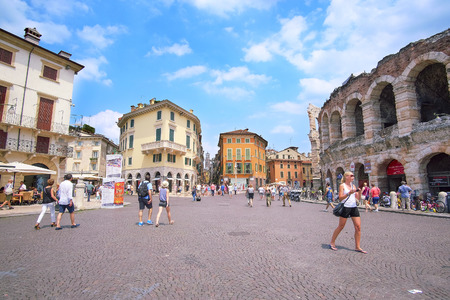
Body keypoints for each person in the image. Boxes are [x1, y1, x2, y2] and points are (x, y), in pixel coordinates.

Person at [329, 171, 366, 253]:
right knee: (341, 226)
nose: (353, 177)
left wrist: (359, 192)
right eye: (351, 176)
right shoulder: (342, 186)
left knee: (358, 227)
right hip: (345, 207)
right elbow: (340, 198)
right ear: (346, 177)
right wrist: (349, 193)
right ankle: (332, 242)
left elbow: (358, 198)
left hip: (353, 207)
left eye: (353, 176)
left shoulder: (353, 185)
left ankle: (357, 246)